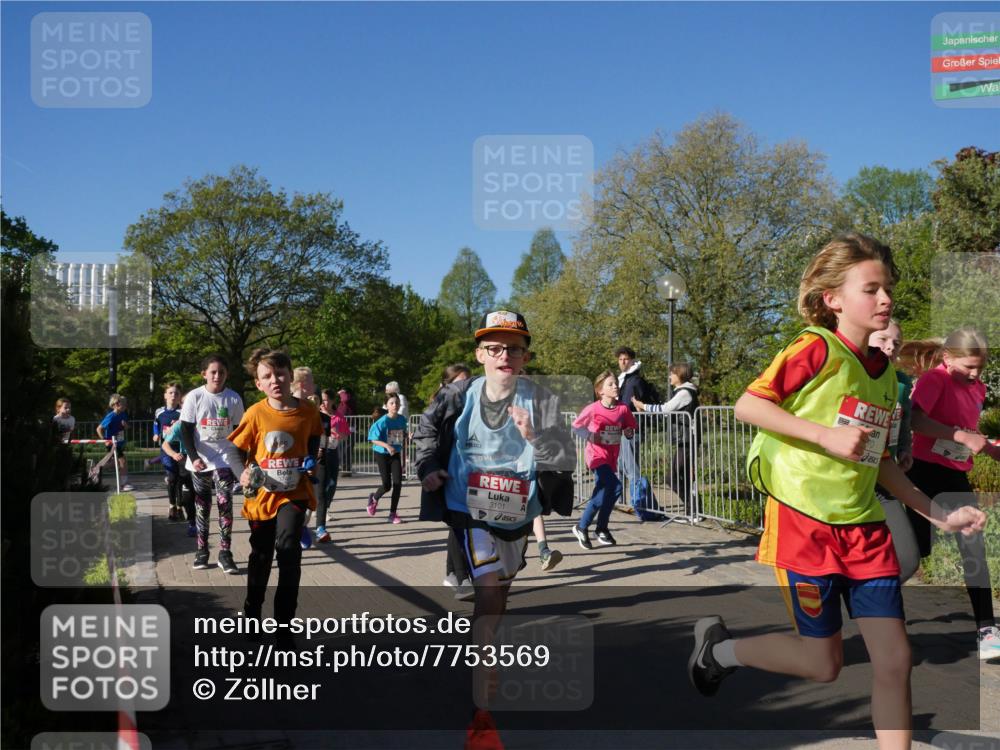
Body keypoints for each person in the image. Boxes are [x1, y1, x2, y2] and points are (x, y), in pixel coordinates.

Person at [688, 234, 987, 750]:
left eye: (887, 288)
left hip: (865, 529)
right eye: (871, 289)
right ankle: (720, 653)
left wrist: (938, 515)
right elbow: (747, 406)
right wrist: (825, 434)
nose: (886, 299)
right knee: (822, 664)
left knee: (895, 661)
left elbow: (883, 466)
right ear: (834, 299)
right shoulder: (814, 348)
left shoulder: (884, 377)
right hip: (805, 525)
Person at [414, 309, 576, 744]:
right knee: (487, 590)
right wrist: (429, 466)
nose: (505, 354)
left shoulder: (540, 399)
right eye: (495, 347)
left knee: (500, 593)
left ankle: (485, 645)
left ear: (524, 357)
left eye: (514, 348)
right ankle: (482, 698)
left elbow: (563, 456)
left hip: (519, 513)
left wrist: (535, 437)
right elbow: (426, 430)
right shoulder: (457, 394)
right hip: (470, 509)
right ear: (480, 353)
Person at [898, 327, 1000, 660]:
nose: (974, 374)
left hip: (955, 476)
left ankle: (987, 628)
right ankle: (875, 601)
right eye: (968, 366)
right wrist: (960, 436)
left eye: (979, 368)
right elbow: (915, 421)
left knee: (974, 548)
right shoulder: (934, 380)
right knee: (916, 551)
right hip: (924, 474)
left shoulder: (978, 388)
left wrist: (987, 446)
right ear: (947, 358)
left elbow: (967, 431)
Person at [229, 349, 323, 646]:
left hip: (294, 494)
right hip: (261, 497)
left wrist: (311, 458)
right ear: (259, 384)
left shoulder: (308, 411)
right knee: (260, 557)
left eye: (280, 373)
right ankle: (251, 612)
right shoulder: (255, 413)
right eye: (267, 376)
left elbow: (315, 436)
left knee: (288, 550)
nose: (275, 380)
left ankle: (284, 626)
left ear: (290, 374)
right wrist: (241, 473)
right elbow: (235, 449)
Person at [179, 355, 245, 574]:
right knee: (202, 506)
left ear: (227, 375)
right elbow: (185, 431)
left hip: (224, 458)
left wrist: (241, 464)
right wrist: (194, 456)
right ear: (204, 374)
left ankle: (225, 553)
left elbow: (239, 433)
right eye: (213, 372)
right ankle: (202, 550)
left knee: (225, 502)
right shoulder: (194, 397)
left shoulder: (233, 399)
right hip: (200, 461)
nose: (217, 376)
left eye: (222, 372)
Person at [868, 321, 920, 584]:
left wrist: (904, 450)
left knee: (907, 560)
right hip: (848, 482)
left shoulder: (901, 382)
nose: (890, 347)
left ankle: (873, 606)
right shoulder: (846, 374)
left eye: (896, 343)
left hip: (886, 481)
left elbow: (905, 418)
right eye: (882, 339)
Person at [571, 369, 637, 549]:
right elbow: (576, 426)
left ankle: (582, 527)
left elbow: (629, 428)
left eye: (616, 383)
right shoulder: (593, 408)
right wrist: (591, 437)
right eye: (611, 384)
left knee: (601, 493)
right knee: (615, 486)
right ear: (600, 390)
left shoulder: (623, 408)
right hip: (595, 456)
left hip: (611, 457)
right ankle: (601, 528)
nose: (615, 386)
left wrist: (629, 433)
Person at [632, 362, 699, 512]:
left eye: (672, 373)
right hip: (686, 440)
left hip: (688, 440)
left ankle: (694, 508)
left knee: (672, 477)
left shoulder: (684, 393)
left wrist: (643, 406)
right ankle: (692, 510)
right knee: (682, 475)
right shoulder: (683, 391)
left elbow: (665, 409)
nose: (669, 376)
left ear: (679, 375)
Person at [436, 364, 475, 599]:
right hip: (447, 473)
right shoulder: (440, 408)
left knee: (461, 522)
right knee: (458, 522)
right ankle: (461, 578)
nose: (465, 387)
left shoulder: (472, 405)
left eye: (468, 382)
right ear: (447, 384)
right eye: (460, 382)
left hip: (470, 473)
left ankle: (453, 573)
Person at [615, 346, 659, 504]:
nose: (622, 362)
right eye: (620, 359)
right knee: (620, 465)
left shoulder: (636, 380)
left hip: (632, 428)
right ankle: (619, 500)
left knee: (631, 466)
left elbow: (635, 405)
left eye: (625, 359)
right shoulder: (623, 379)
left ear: (632, 360)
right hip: (621, 428)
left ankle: (641, 502)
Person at [367, 393, 408, 523]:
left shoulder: (401, 419)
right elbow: (373, 439)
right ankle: (374, 499)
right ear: (387, 405)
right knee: (387, 485)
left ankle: (393, 513)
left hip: (395, 453)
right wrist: (387, 446)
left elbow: (402, 435)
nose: (395, 405)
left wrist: (408, 436)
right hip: (382, 454)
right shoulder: (382, 422)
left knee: (397, 483)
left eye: (396, 402)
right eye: (392, 403)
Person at [316, 388, 350, 544]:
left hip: (333, 451)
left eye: (325, 400)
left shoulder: (338, 416)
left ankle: (324, 507)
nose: (323, 403)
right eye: (321, 400)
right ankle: (320, 517)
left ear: (331, 401)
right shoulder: (316, 415)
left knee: (332, 483)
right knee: (321, 485)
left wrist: (337, 434)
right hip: (320, 454)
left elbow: (345, 434)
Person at [161, 413, 197, 537]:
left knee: (202, 494)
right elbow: (165, 444)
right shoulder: (179, 424)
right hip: (186, 459)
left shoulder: (204, 421)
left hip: (205, 460)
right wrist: (173, 454)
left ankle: (200, 521)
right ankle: (192, 522)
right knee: (189, 493)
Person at [153, 383, 185, 520]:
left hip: (181, 449)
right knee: (172, 477)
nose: (173, 395)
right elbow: (156, 424)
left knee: (180, 479)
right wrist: (155, 434)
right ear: (165, 395)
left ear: (180, 397)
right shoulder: (159, 412)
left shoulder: (182, 412)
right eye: (171, 393)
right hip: (166, 449)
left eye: (176, 393)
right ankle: (172, 506)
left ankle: (179, 507)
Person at [96, 393, 133, 491]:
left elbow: (127, 427)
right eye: (123, 404)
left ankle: (96, 469)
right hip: (112, 443)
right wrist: (105, 440)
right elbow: (99, 429)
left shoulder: (123, 414)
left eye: (125, 404)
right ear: (115, 404)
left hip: (119, 441)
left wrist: (125, 426)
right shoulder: (110, 416)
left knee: (114, 463)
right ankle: (124, 484)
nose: (125, 406)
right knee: (122, 461)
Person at [336, 388, 355, 476]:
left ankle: (346, 470)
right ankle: (344, 468)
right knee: (341, 449)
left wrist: (342, 392)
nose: (340, 396)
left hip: (349, 429)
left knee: (346, 449)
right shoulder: (341, 404)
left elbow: (345, 399)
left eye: (343, 394)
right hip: (341, 429)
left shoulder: (349, 402)